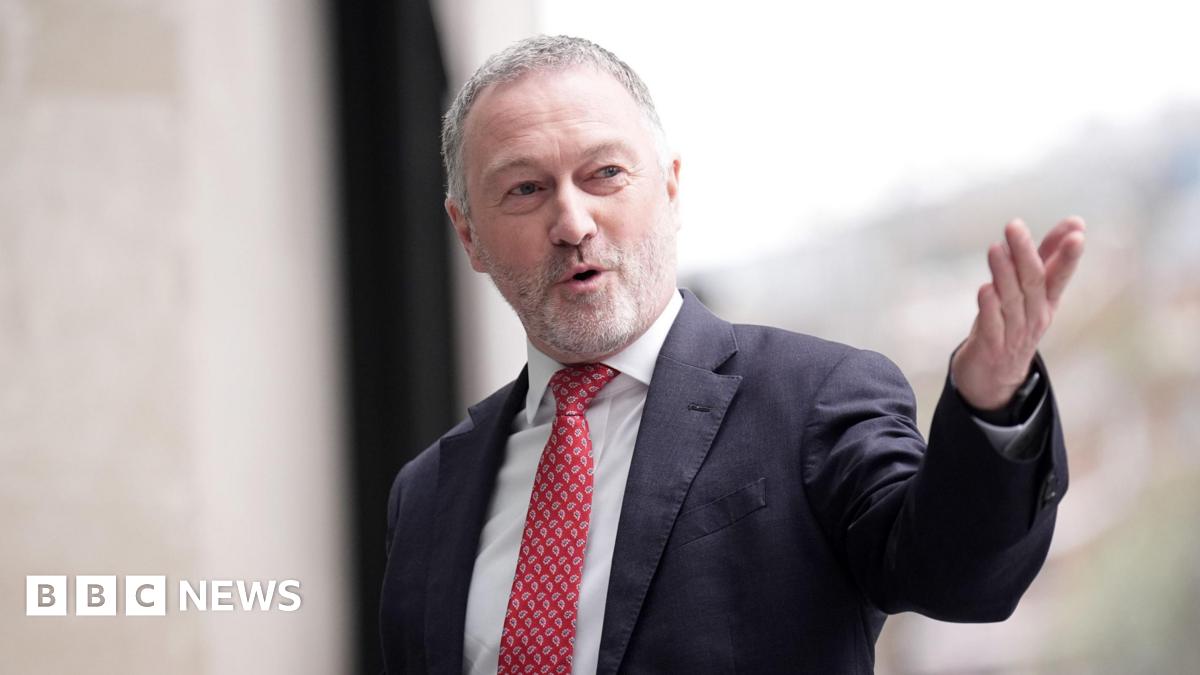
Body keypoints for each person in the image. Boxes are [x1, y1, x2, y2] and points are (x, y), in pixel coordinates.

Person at [379, 35, 1086, 674]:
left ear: (672, 187)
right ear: (468, 233)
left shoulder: (814, 398)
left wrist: (994, 399)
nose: (572, 222)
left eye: (605, 174)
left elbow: (958, 575)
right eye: (526, 189)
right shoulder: (427, 493)